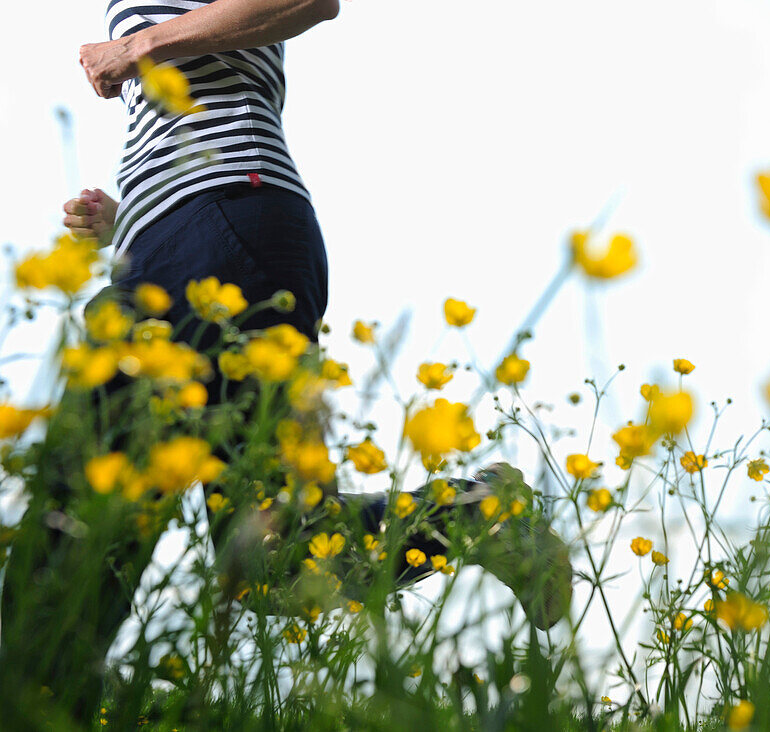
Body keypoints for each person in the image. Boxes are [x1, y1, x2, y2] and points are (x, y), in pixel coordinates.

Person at [0, 0, 570, 723]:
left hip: (227, 220)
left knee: (99, 561)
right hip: (179, 240)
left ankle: (482, 515)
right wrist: (135, 219)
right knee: (246, 561)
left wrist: (136, 47)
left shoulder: (145, 36)